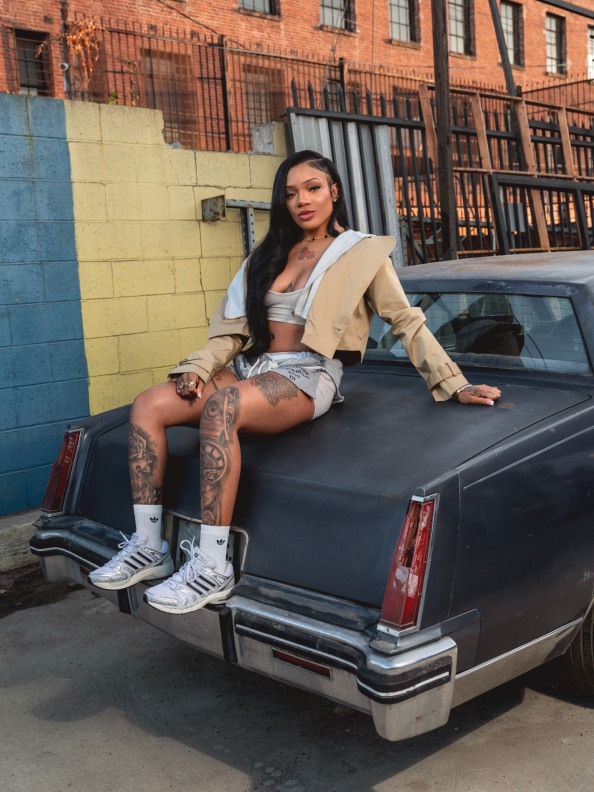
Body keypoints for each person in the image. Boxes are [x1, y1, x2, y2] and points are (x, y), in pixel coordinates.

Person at [88, 149, 502, 613]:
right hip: (252, 366)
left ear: (334, 192)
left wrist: (454, 382)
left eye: (313, 188)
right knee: (148, 404)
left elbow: (405, 320)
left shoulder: (360, 253)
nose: (302, 200)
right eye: (290, 193)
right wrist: (198, 367)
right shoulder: (266, 254)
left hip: (307, 375)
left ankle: (211, 565)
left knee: (220, 409)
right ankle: (150, 548)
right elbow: (231, 331)